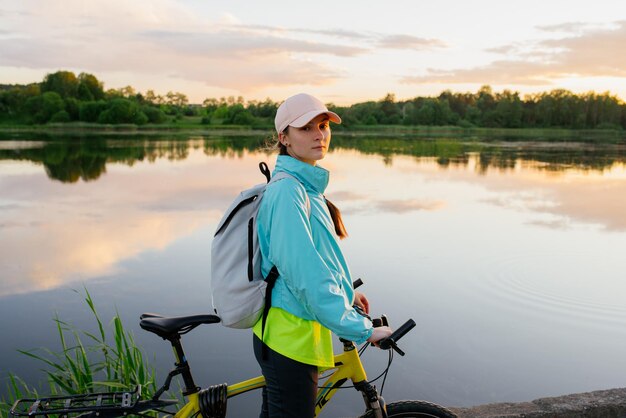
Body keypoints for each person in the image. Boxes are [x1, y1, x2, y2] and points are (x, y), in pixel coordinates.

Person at [252, 93, 393, 418]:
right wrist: (363, 330)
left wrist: (347, 294)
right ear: (284, 138)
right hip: (289, 341)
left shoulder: (305, 187)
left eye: (323, 124)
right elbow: (306, 276)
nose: (319, 134)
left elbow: (320, 261)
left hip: (289, 334)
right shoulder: (289, 192)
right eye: (307, 128)